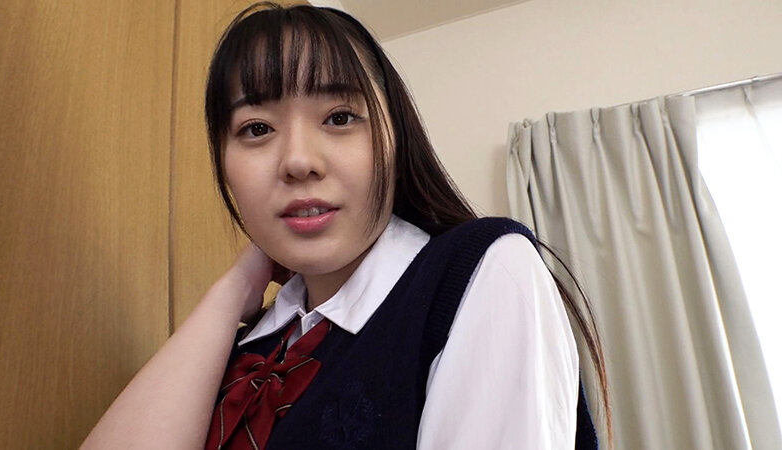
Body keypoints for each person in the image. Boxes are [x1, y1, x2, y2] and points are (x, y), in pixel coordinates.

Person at [82, 2, 610, 449]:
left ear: (394, 139)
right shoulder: (250, 343)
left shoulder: (480, 271)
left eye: (339, 118)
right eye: (257, 128)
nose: (298, 161)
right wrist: (233, 291)